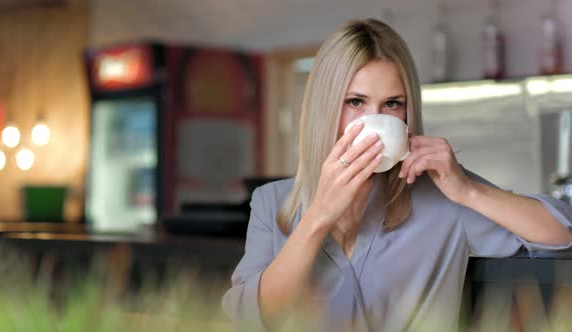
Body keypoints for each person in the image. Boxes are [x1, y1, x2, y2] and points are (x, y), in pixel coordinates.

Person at [222, 18, 572, 332]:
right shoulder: (271, 203)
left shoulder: (444, 196)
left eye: (392, 104)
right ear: (324, 107)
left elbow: (562, 233)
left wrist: (468, 191)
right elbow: (252, 317)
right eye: (355, 102)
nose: (375, 124)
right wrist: (318, 217)